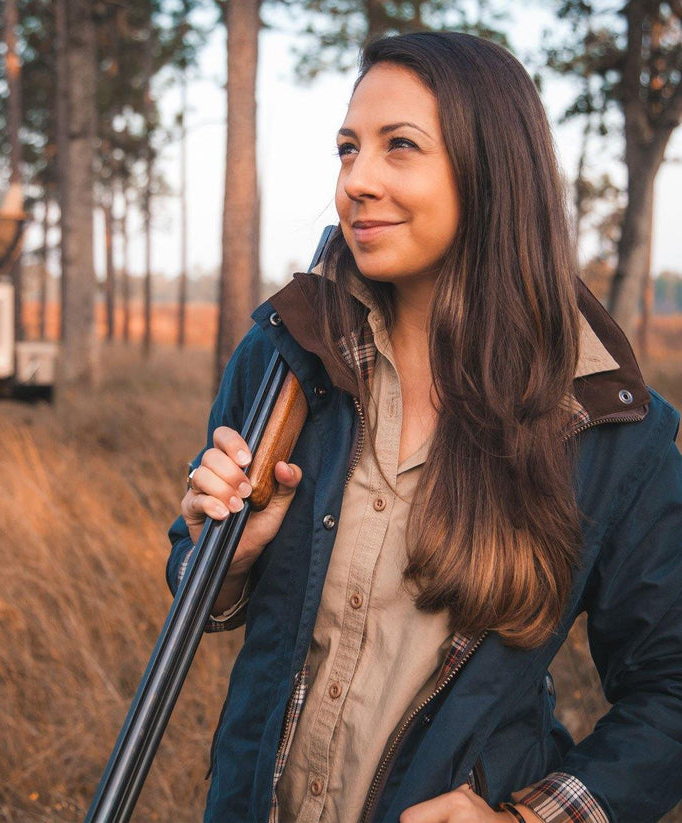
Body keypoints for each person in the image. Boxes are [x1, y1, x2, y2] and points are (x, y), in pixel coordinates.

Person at [167, 31, 682, 823]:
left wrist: (528, 819)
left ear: (491, 172)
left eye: (398, 146)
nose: (355, 181)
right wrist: (221, 557)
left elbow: (670, 687)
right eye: (346, 149)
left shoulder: (606, 426)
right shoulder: (283, 364)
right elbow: (200, 589)